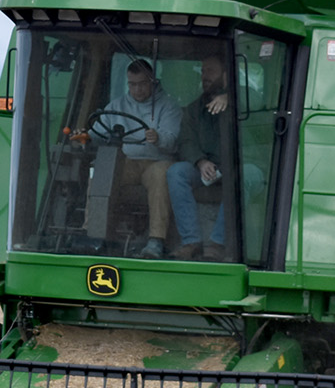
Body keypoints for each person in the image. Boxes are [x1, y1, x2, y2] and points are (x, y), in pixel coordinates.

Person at [93, 59, 181, 259]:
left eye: (142, 84)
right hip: (128, 161)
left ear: (152, 81)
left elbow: (173, 141)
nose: (137, 89)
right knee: (103, 168)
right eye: (132, 84)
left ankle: (156, 241)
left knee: (161, 174)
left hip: (157, 161)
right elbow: (97, 131)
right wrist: (85, 136)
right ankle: (93, 233)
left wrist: (158, 138)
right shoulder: (116, 106)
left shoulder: (168, 106)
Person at [166, 55, 233, 260]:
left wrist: (231, 96)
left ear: (226, 74)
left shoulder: (248, 99)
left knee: (243, 176)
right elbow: (186, 141)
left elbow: (260, 104)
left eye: (211, 71)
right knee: (176, 172)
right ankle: (191, 241)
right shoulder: (195, 108)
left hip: (242, 167)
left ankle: (217, 244)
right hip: (207, 167)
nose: (205, 76)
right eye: (203, 71)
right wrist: (201, 162)